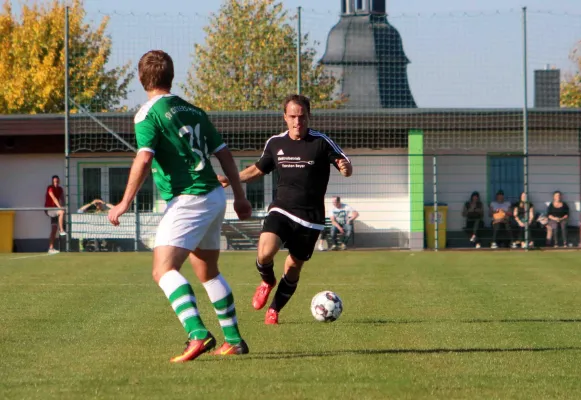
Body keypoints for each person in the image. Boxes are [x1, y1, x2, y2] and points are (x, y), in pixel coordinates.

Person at [107, 50, 253, 362]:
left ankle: (198, 334)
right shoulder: (195, 111)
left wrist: (124, 202)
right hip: (214, 197)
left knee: (163, 269)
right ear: (171, 76)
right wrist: (240, 196)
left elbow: (144, 158)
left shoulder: (148, 114)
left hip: (189, 199)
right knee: (208, 271)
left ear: (141, 78)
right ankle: (234, 340)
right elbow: (225, 154)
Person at [233, 94, 353, 325]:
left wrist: (345, 168)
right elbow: (258, 170)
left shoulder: (321, 142)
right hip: (282, 209)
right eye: (293, 117)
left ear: (309, 117)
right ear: (285, 118)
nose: (298, 122)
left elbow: (345, 167)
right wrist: (232, 179)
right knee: (265, 252)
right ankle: (267, 281)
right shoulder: (276, 143)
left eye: (302, 117)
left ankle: (274, 310)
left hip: (311, 219)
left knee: (293, 266)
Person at [44, 175, 66, 254]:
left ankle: (51, 248)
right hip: (49, 209)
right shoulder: (50, 188)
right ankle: (61, 230)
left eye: (57, 182)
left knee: (53, 230)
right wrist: (60, 208)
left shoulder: (60, 189)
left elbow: (62, 198)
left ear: (59, 182)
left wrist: (63, 205)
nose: (56, 183)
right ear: (52, 182)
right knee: (61, 212)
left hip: (55, 210)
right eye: (54, 182)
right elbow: (54, 198)